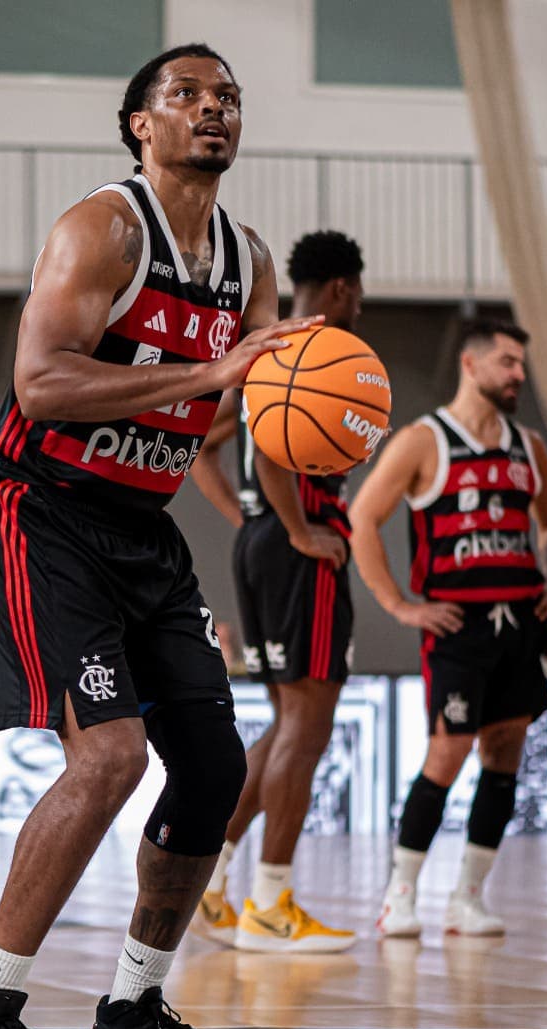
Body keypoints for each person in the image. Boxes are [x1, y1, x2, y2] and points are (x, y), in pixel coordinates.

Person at [0, 43, 320, 1029]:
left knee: (210, 766)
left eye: (228, 97)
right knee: (109, 757)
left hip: (143, 528)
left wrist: (313, 434)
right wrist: (211, 370)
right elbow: (40, 384)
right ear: (140, 125)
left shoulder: (250, 262)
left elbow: (258, 400)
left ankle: (133, 1012)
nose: (214, 110)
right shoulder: (101, 229)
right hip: (37, 505)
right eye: (188, 96)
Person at [348, 318, 547, 939]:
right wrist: (399, 605)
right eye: (508, 361)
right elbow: (362, 521)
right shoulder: (424, 441)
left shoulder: (530, 446)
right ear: (471, 366)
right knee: (448, 753)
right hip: (457, 624)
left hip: (521, 623)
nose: (518, 374)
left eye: (520, 363)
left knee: (506, 756)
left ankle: (468, 897)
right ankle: (400, 896)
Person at [189, 230, 365, 954]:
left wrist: (251, 521)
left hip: (260, 544)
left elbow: (207, 448)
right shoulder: (314, 348)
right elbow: (275, 452)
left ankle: (211, 874)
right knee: (307, 725)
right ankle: (272, 904)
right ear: (342, 289)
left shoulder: (264, 348)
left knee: (287, 723)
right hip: (300, 541)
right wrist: (292, 527)